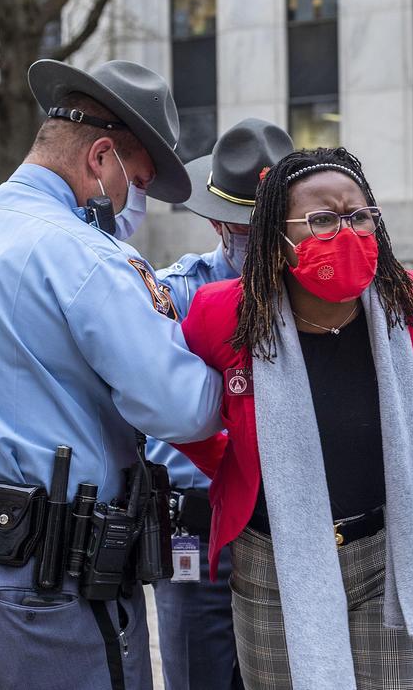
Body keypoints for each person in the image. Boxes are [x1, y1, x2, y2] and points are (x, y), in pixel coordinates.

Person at [0, 59, 224, 690]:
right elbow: (180, 407)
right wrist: (233, 366)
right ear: (101, 159)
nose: (138, 203)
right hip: (41, 595)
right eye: (140, 182)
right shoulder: (86, 256)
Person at [174, 147, 413, 690]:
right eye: (322, 219)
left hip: (394, 550)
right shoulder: (221, 313)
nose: (345, 232)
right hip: (272, 562)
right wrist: (233, 467)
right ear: (277, 238)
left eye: (358, 216)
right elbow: (176, 411)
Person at [147, 118, 293, 690]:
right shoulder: (178, 292)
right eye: (243, 228)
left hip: (288, 524)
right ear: (215, 223)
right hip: (197, 527)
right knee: (196, 674)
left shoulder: (319, 298)